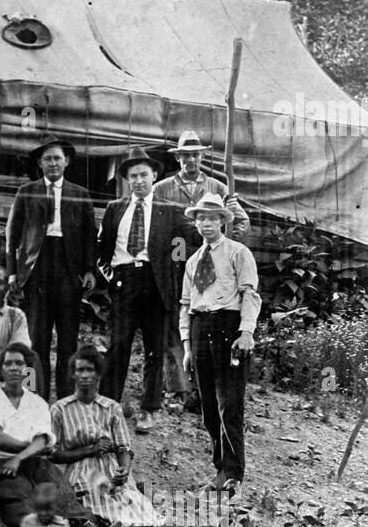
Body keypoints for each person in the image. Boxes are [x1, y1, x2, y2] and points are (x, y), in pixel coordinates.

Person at [154, 131, 250, 412]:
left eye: (195, 155)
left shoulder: (218, 187)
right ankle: (178, 388)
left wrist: (232, 241)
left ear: (201, 157)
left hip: (212, 263)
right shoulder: (163, 188)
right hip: (177, 260)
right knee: (177, 318)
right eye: (185, 155)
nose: (191, 160)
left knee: (207, 320)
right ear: (178, 158)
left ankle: (202, 389)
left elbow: (241, 222)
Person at [95, 147, 189, 434]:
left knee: (154, 349)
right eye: (133, 176)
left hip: (156, 284)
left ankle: (149, 409)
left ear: (154, 176)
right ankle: (109, 406)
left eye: (143, 175)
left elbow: (182, 248)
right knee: (118, 345)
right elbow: (102, 248)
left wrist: (172, 278)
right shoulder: (115, 209)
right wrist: (110, 275)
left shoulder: (170, 211)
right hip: (124, 281)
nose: (138, 181)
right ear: (127, 179)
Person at [5, 134, 99, 400]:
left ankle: (67, 397)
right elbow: (13, 236)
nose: (53, 163)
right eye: (48, 159)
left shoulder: (80, 194)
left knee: (68, 338)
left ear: (66, 161)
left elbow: (89, 236)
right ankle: (35, 396)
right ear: (40, 163)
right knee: (37, 338)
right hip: (37, 269)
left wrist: (90, 269)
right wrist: (13, 271)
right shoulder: (27, 191)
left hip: (68, 269)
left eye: (57, 158)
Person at [50, 345, 170, 527]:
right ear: (73, 374)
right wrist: (89, 450)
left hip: (109, 466)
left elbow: (123, 446)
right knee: (99, 496)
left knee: (128, 495)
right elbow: (53, 454)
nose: (85, 375)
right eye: (80, 370)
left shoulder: (111, 407)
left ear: (98, 374)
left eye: (90, 370)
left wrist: (125, 468)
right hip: (80, 467)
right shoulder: (60, 409)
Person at [179, 193, 261, 493]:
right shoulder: (192, 261)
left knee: (229, 405)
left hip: (229, 329)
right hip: (201, 329)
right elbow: (186, 303)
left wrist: (246, 332)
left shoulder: (238, 253)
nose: (206, 223)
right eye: (201, 218)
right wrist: (187, 346)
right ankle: (220, 470)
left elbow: (250, 294)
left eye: (212, 218)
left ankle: (233, 475)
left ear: (223, 221)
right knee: (209, 409)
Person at [0, 343, 77, 527]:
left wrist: (20, 457)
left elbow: (41, 438)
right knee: (17, 496)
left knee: (58, 488)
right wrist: (29, 450)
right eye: (8, 364)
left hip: (32, 461)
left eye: (19, 363)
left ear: (27, 369)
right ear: (0, 368)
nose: (14, 368)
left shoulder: (37, 402)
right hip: (0, 460)